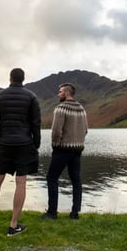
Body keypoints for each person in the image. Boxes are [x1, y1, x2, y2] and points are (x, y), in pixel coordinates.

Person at [0, 68, 41, 236]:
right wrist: (36, 143)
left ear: (10, 78)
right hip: (24, 144)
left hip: (5, 144)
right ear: (23, 79)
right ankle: (13, 226)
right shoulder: (31, 97)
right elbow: (36, 123)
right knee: (21, 183)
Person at [41, 82, 88, 220]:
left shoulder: (61, 108)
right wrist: (78, 142)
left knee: (52, 178)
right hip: (77, 150)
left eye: (60, 92)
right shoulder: (82, 109)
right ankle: (75, 213)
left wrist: (55, 145)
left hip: (62, 150)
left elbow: (56, 131)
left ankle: (52, 212)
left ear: (67, 93)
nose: (58, 94)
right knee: (76, 180)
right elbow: (85, 130)